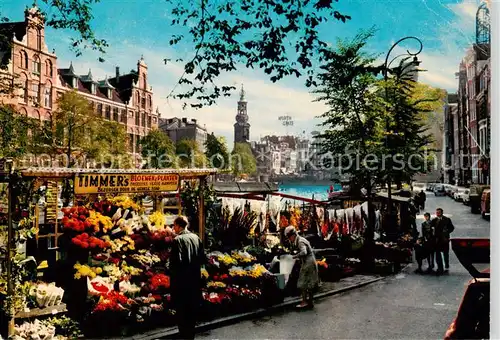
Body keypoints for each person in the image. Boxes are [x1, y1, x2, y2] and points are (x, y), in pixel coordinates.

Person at [170, 216, 205, 340]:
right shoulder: (196, 238)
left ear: (179, 226)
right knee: (191, 315)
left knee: (182, 315)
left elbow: (175, 265)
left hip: (182, 284)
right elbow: (203, 259)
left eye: (174, 226)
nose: (173, 228)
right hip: (195, 282)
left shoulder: (177, 240)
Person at [284, 226, 319, 308]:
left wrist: (295, 256)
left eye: (289, 237)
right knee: (310, 282)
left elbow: (304, 252)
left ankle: (304, 302)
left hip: (308, 263)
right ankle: (310, 301)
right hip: (310, 262)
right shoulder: (300, 240)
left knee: (302, 282)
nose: (289, 239)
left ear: (293, 235)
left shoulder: (300, 241)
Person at [431, 208, 455, 275]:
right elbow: (431, 229)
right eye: (437, 212)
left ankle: (446, 264)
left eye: (439, 212)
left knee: (445, 253)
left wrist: (447, 232)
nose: (438, 214)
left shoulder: (447, 220)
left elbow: (452, 228)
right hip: (437, 240)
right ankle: (440, 267)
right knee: (437, 253)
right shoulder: (434, 220)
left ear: (442, 213)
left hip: (444, 239)